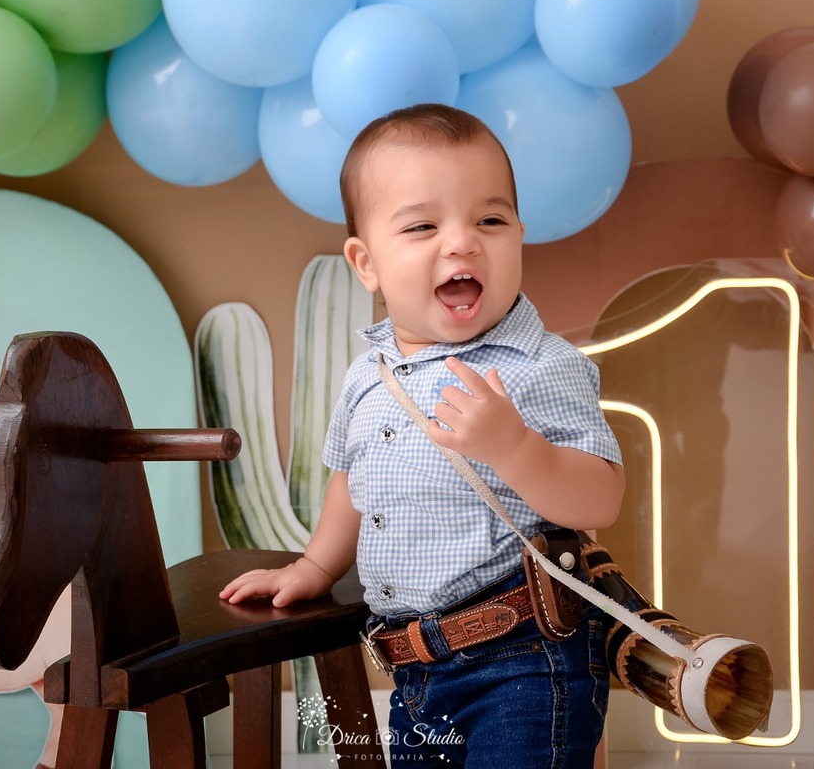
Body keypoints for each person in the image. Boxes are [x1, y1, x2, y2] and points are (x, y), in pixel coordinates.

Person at [220, 103, 625, 768]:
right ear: (366, 263)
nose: (462, 243)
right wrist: (315, 567)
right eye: (423, 226)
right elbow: (352, 481)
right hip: (414, 667)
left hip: (525, 658)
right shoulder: (368, 375)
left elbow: (601, 498)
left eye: (490, 221)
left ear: (519, 237)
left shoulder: (542, 366)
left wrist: (515, 449)